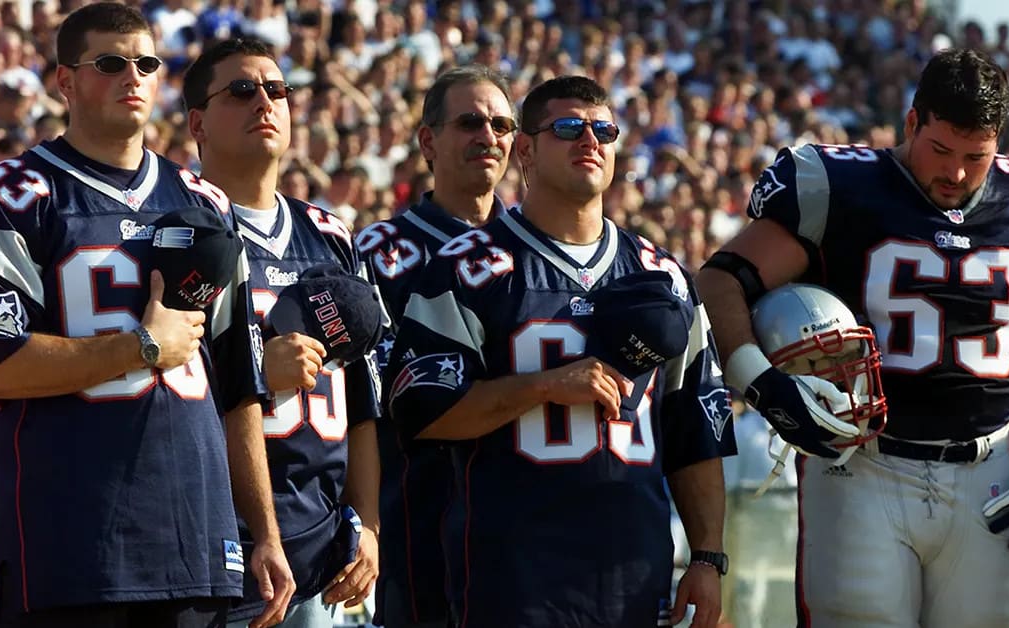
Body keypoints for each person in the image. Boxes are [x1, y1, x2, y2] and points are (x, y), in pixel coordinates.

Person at [696, 48, 1009, 628]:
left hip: (987, 472)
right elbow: (721, 278)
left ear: (998, 140)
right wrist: (762, 382)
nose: (954, 174)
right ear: (912, 122)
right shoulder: (840, 185)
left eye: (976, 157)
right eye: (941, 150)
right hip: (860, 464)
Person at [0, 4, 295, 627]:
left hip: (196, 542)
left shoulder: (205, 201)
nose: (133, 76)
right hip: (68, 548)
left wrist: (263, 529)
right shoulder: (8, 195)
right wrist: (140, 348)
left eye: (146, 63)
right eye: (110, 63)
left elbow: (240, 386)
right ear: (66, 82)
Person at [386, 75, 736, 628]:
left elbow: (697, 432)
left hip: (635, 576)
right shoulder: (463, 268)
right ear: (525, 149)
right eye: (568, 128)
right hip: (512, 579)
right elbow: (424, 415)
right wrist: (543, 386)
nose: (589, 141)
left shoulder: (662, 274)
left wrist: (708, 557)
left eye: (604, 130)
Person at [183, 38, 383, 627]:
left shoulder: (331, 234)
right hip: (215, 530)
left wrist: (367, 523)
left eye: (277, 91)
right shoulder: (176, 224)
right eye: (242, 90)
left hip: (321, 544)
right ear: (197, 121)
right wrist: (253, 375)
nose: (264, 103)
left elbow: (363, 398)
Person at [354, 64, 514, 628]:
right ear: (428, 140)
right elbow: (366, 406)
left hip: (523, 526)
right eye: (470, 122)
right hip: (417, 519)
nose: (488, 137)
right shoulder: (375, 252)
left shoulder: (537, 250)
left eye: (501, 124)